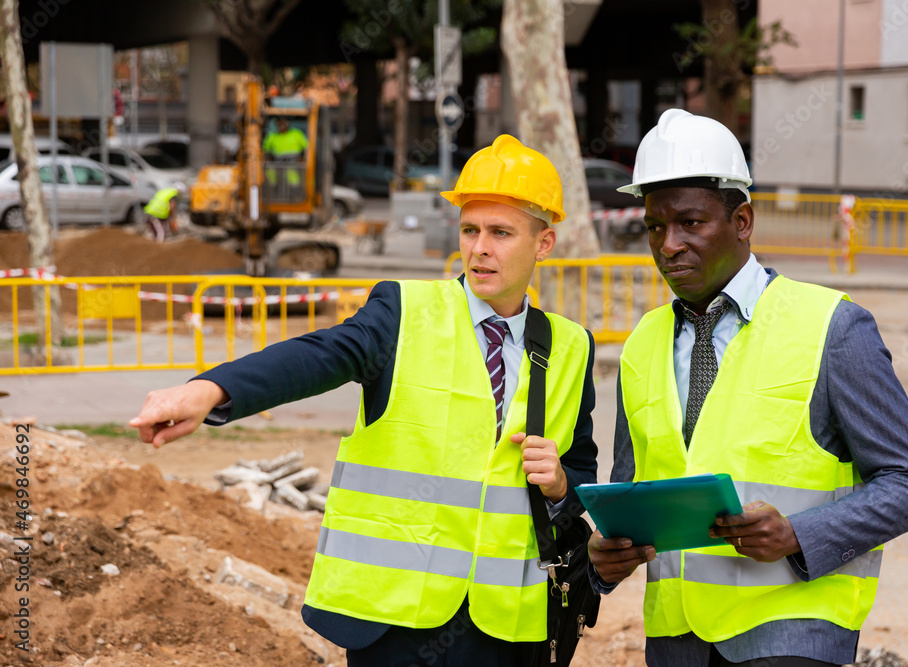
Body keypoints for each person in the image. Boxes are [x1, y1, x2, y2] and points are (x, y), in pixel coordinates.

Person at [130, 134, 599, 666]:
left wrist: (561, 484)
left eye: (501, 233)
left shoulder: (571, 347)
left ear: (545, 243)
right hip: (396, 623)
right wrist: (211, 390)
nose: (479, 248)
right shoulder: (403, 311)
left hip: (510, 630)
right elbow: (320, 355)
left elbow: (582, 472)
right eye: (470, 230)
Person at [587, 109, 908, 667]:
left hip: (794, 630)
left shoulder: (832, 327)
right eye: (656, 226)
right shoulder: (642, 345)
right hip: (676, 638)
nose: (669, 245)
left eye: (691, 223)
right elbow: (632, 490)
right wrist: (608, 556)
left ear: (743, 221)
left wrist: (799, 535)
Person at [263, 116, 309, 192]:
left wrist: (302, 159)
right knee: (270, 174)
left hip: (293, 164)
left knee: (294, 182)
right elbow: (265, 151)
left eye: (283, 122)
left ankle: (295, 193)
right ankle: (273, 190)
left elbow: (307, 149)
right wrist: (267, 158)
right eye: (279, 122)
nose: (281, 124)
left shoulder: (297, 134)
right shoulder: (271, 136)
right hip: (277, 164)